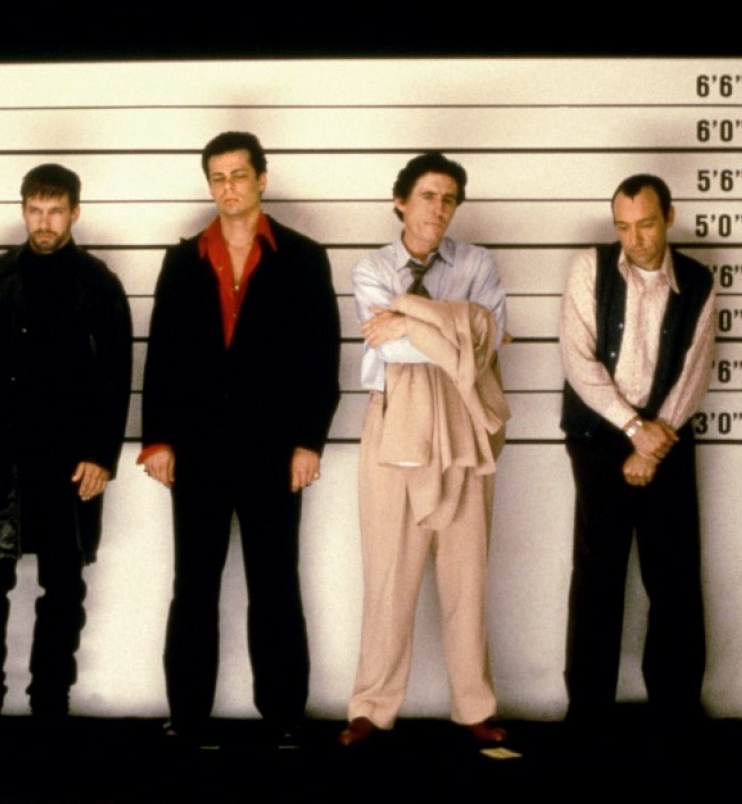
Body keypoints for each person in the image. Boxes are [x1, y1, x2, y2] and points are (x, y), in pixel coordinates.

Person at [140, 131, 340, 742]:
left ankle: (285, 718)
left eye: (239, 175)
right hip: (196, 451)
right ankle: (187, 717)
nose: (228, 188)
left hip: (274, 452)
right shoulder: (183, 261)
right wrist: (157, 440)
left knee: (275, 584)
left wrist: (309, 441)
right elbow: (161, 355)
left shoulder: (304, 257)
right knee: (193, 587)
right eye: (218, 178)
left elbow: (321, 357)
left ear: (262, 179)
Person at [0, 163, 133, 724]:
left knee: (64, 587)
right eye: (35, 210)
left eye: (55, 211)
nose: (44, 222)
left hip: (70, 455)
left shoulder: (99, 283)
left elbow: (116, 376)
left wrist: (101, 456)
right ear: (23, 210)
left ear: (75, 213)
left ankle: (50, 707)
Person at [339, 152, 510, 747]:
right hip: (394, 420)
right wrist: (458, 327)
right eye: (428, 196)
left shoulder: (478, 262)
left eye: (449, 199)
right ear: (401, 201)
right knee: (389, 573)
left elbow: (489, 343)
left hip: (466, 422)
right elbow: (389, 350)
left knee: (466, 573)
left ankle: (474, 707)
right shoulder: (371, 268)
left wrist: (409, 316)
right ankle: (371, 707)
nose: (439, 209)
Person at [558, 173, 715, 734]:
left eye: (646, 224)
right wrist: (631, 428)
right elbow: (577, 359)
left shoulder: (697, 279)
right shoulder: (589, 267)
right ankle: (587, 715)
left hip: (666, 437)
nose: (635, 239)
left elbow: (696, 369)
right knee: (596, 576)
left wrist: (654, 441)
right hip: (598, 436)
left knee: (674, 577)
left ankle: (676, 712)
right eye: (623, 227)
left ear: (669, 217)